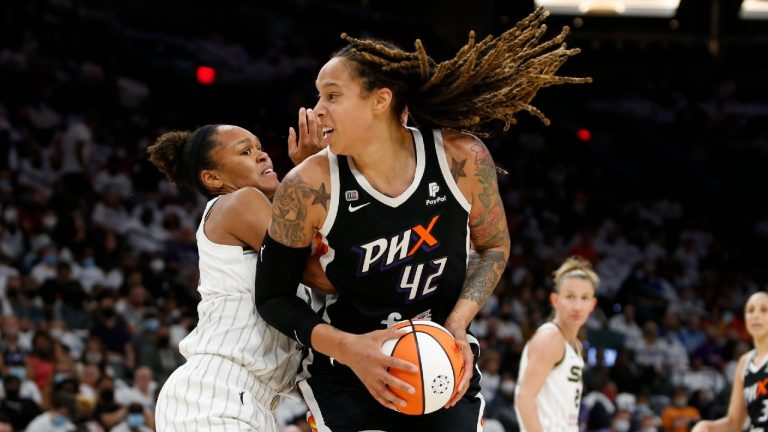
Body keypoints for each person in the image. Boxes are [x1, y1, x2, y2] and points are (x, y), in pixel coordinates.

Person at [255, 7, 590, 431]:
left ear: (381, 99)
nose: (317, 109)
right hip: (348, 366)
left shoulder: (462, 159)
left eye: (332, 95)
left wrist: (456, 325)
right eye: (319, 96)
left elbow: (493, 246)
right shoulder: (306, 186)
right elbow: (272, 298)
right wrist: (350, 347)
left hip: (441, 356)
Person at [148, 124, 330, 431]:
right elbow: (321, 274)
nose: (261, 156)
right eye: (245, 151)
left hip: (252, 401)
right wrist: (313, 171)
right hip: (218, 394)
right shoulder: (240, 202)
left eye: (259, 147)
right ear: (213, 178)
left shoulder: (255, 213)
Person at [514, 257, 599, 432]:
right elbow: (524, 398)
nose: (577, 306)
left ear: (593, 304)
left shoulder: (575, 345)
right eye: (570, 296)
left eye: (584, 298)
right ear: (555, 300)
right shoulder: (551, 339)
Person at [692, 291, 768, 432]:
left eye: (764, 310)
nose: (756, 315)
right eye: (751, 310)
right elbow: (734, 424)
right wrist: (707, 427)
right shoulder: (744, 362)